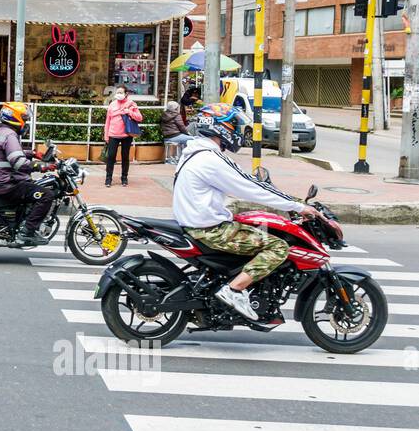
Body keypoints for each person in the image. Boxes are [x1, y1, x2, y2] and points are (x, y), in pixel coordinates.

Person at [172, 103, 318, 322]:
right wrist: (298, 206)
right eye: (232, 125)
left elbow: (245, 185)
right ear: (219, 128)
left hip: (198, 223)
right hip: (210, 230)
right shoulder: (211, 159)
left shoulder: (195, 152)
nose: (235, 131)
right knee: (278, 246)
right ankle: (234, 290)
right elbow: (251, 188)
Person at [0, 101, 57, 246]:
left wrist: (34, 154)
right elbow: (18, 162)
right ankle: (26, 233)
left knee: (32, 187)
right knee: (46, 195)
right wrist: (43, 167)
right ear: (15, 118)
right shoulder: (10, 135)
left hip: (0, 180)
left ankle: (23, 223)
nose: (25, 122)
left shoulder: (1, 132)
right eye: (24, 119)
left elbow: (12, 153)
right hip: (7, 184)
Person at [103, 85, 143, 187]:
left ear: (126, 94)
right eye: (118, 92)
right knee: (110, 157)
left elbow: (139, 118)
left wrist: (129, 111)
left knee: (125, 157)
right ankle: (108, 178)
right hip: (113, 134)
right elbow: (108, 120)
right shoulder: (112, 104)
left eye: (121, 92)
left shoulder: (131, 104)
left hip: (126, 135)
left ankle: (124, 178)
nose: (119, 94)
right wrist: (106, 135)